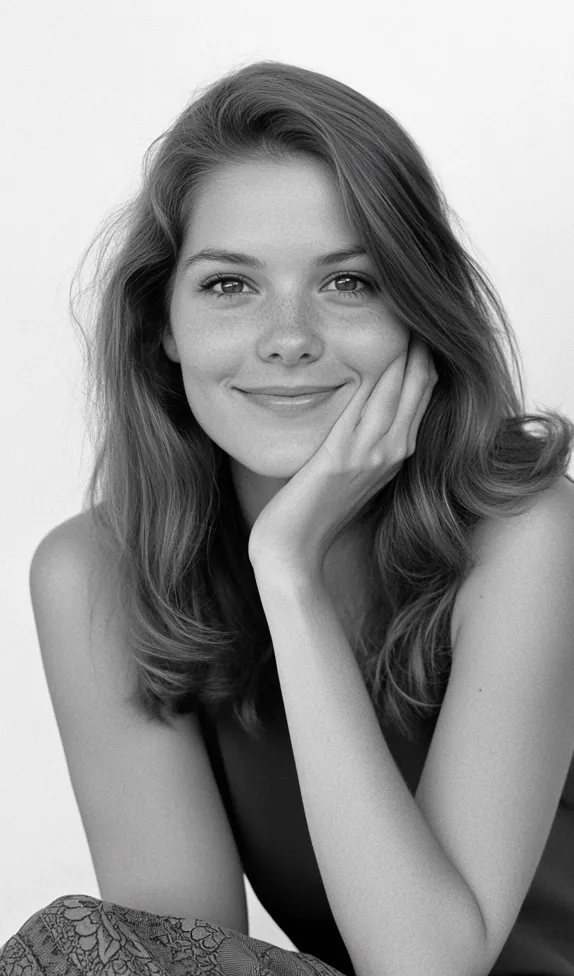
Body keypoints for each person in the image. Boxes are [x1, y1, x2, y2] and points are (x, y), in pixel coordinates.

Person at [2, 59, 574, 976]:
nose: (289, 336)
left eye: (348, 283)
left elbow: (430, 967)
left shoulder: (525, 529)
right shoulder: (94, 575)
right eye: (231, 285)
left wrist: (289, 570)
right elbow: (170, 957)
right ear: (163, 322)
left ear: (418, 314)